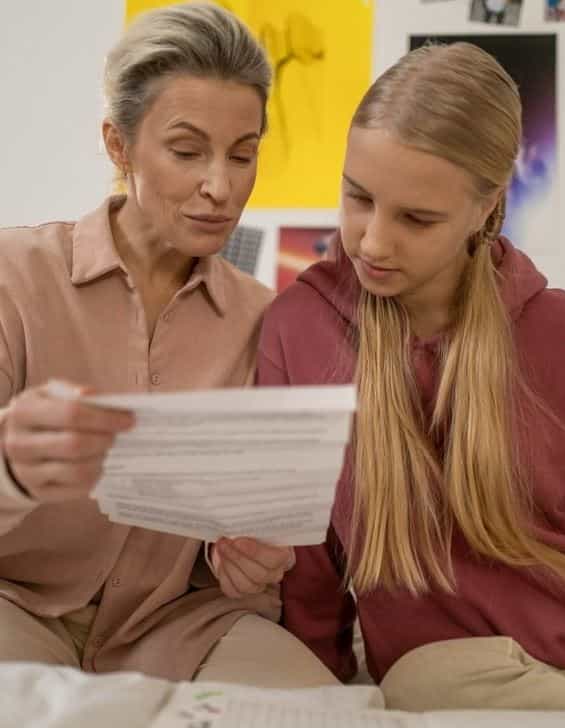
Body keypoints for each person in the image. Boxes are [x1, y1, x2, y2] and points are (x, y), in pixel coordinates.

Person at [0, 2, 337, 688]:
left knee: (326, 710)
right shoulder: (15, 277)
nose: (221, 187)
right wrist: (10, 468)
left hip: (182, 627)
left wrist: (249, 559)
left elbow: (253, 530)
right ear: (119, 146)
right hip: (15, 608)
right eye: (187, 152)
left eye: (243, 155)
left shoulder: (263, 318)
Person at [257, 42, 565, 709]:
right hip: (446, 671)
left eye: (417, 218)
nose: (374, 241)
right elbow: (306, 561)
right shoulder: (297, 330)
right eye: (358, 198)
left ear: (488, 205)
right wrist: (322, 697)